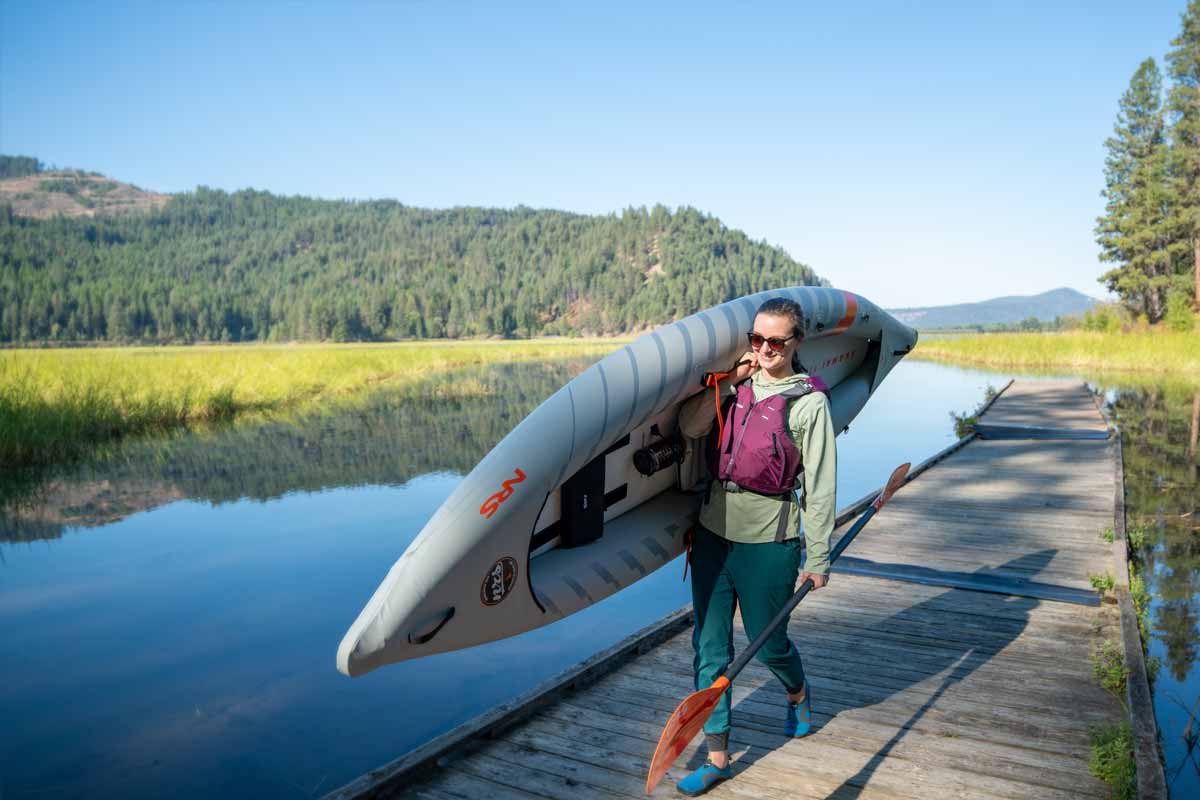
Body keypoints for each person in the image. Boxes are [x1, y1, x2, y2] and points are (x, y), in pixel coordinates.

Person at [673, 297, 837, 796]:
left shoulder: (810, 403)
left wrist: (819, 555)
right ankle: (718, 755)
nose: (764, 349)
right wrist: (731, 380)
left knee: (768, 645)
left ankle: (798, 691)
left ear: (795, 343)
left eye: (775, 342)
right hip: (713, 536)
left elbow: (822, 485)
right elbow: (691, 427)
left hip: (770, 540)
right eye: (757, 339)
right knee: (709, 646)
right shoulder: (737, 386)